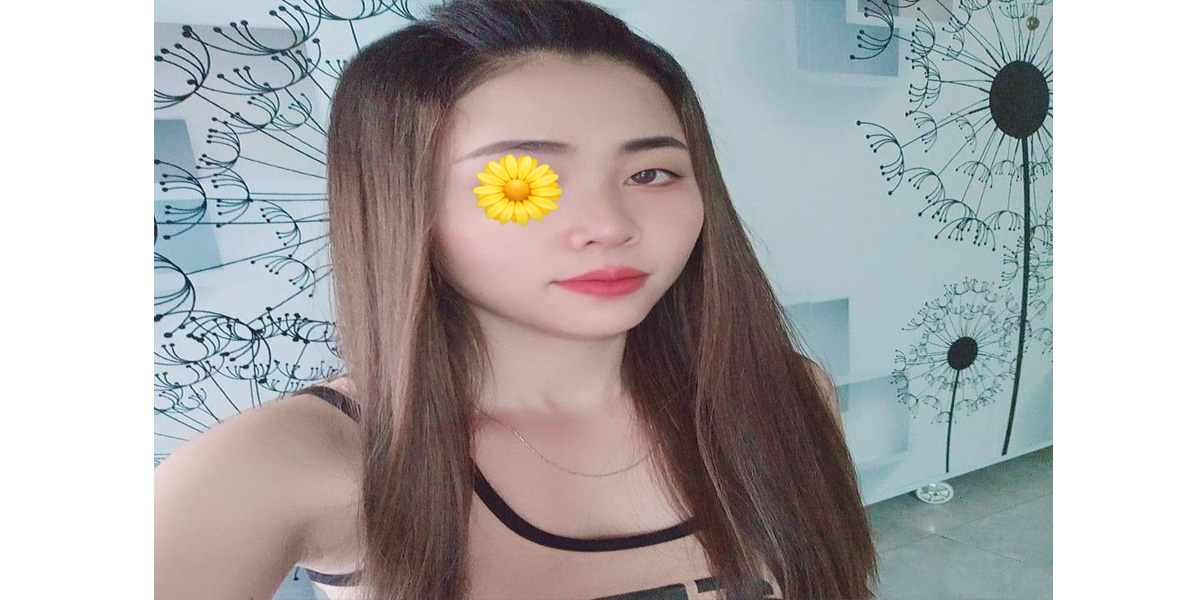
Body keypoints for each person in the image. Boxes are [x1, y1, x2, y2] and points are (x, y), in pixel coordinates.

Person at [154, 1, 878, 598]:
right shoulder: (288, 464)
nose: (609, 226)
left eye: (651, 174)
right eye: (521, 183)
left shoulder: (784, 394)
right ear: (403, 206)